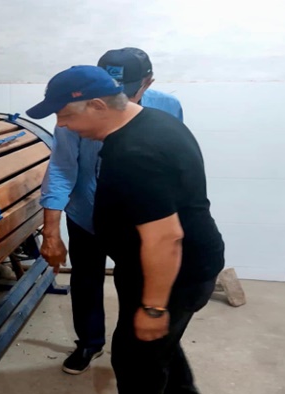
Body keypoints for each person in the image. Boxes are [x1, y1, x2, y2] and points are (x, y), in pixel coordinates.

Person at [27, 65, 224, 394]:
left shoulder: (135, 152)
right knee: (163, 346)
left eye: (65, 115)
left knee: (136, 363)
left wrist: (153, 308)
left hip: (174, 275)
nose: (61, 125)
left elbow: (165, 237)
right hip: (163, 267)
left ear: (98, 106)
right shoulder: (155, 123)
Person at [39, 47, 184, 375]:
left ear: (147, 82)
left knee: (134, 284)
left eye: (127, 90)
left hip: (137, 220)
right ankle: (89, 342)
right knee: (86, 281)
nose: (117, 99)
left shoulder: (167, 108)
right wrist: (51, 232)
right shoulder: (78, 111)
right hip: (87, 213)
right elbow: (62, 167)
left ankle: (136, 344)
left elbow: (170, 167)